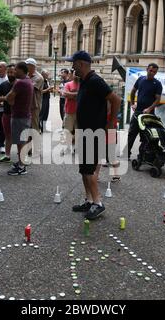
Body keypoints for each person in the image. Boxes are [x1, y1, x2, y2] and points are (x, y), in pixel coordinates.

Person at [68, 51, 121, 220]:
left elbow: (116, 99)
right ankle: (89, 200)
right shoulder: (84, 81)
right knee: (84, 170)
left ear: (82, 64)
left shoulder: (95, 80)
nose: (72, 66)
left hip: (94, 132)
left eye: (74, 63)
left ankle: (98, 203)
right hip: (85, 131)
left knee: (90, 171)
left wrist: (111, 122)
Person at [128, 63, 163, 159]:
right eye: (151, 71)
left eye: (154, 72)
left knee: (146, 136)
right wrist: (132, 103)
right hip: (138, 112)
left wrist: (149, 109)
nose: (152, 73)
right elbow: (133, 91)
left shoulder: (157, 84)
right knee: (132, 133)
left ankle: (142, 155)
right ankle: (127, 154)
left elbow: (158, 100)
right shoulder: (140, 79)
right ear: (147, 69)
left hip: (149, 115)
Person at [4, 62, 34, 176]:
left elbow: (8, 97)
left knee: (20, 142)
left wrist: (10, 100)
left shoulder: (20, 83)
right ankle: (22, 162)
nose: (14, 72)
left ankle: (21, 167)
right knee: (22, 141)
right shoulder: (27, 80)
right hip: (24, 115)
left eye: (16, 70)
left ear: (22, 70)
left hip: (19, 116)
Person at [0, 64, 17, 163]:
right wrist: (6, 98)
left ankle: (22, 156)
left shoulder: (19, 84)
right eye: (8, 72)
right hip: (7, 113)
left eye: (12, 72)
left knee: (20, 136)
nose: (10, 74)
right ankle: (7, 155)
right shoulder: (3, 84)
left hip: (18, 114)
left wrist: (7, 98)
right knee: (7, 135)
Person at [25, 58, 44, 156]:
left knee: (35, 128)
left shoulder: (39, 77)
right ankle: (29, 148)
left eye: (27, 65)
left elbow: (29, 88)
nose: (26, 67)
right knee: (27, 127)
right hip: (27, 105)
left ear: (32, 66)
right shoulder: (27, 76)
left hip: (34, 106)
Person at [61, 69, 80, 154]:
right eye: (75, 74)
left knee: (78, 131)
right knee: (67, 130)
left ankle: (76, 147)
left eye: (78, 74)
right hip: (69, 111)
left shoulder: (83, 84)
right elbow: (65, 94)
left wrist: (71, 94)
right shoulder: (68, 84)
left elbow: (84, 95)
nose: (76, 76)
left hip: (80, 112)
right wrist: (78, 94)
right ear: (73, 75)